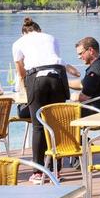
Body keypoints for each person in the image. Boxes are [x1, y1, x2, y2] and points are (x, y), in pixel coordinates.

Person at [12, 17, 73, 183]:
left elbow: (21, 72)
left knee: (38, 125)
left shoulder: (19, 42)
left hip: (37, 78)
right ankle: (56, 170)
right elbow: (54, 59)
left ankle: (38, 172)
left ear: (24, 32)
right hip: (58, 76)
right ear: (39, 29)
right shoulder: (51, 37)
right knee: (56, 123)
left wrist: (24, 90)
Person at [70, 37, 100, 113]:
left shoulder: (94, 71)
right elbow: (82, 84)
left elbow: (84, 97)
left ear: (91, 50)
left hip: (95, 113)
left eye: (81, 53)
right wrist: (64, 82)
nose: (79, 57)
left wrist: (73, 96)